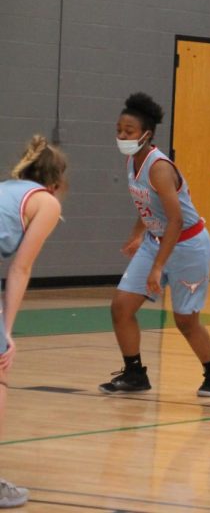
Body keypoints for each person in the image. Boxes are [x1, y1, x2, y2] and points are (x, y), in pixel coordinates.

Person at [100, 93, 210, 397]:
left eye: (128, 132)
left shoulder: (159, 167)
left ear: (147, 134)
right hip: (156, 240)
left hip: (187, 245)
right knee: (121, 307)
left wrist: (158, 267)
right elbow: (146, 205)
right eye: (119, 130)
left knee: (185, 320)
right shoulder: (133, 160)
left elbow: (176, 220)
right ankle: (134, 374)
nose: (121, 136)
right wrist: (137, 233)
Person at [0, 135, 66, 508]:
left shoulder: (7, 189)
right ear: (56, 183)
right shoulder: (47, 203)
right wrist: (7, 331)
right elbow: (20, 268)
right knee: (0, 372)